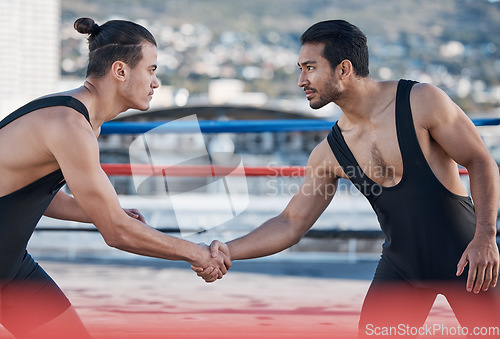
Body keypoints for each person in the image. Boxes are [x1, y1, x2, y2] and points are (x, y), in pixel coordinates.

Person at [194, 20, 500, 337]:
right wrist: (226, 251)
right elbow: (290, 223)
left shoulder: (421, 101)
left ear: (344, 69)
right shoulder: (329, 153)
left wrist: (486, 237)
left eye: (310, 68)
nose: (301, 80)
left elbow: (479, 160)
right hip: (402, 267)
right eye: (301, 68)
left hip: (470, 259)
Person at [0, 17, 230, 338]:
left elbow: (34, 192)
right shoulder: (69, 125)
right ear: (120, 71)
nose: (156, 82)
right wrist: (196, 252)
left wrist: (109, 213)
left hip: (9, 267)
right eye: (151, 70)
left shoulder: (85, 120)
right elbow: (117, 234)